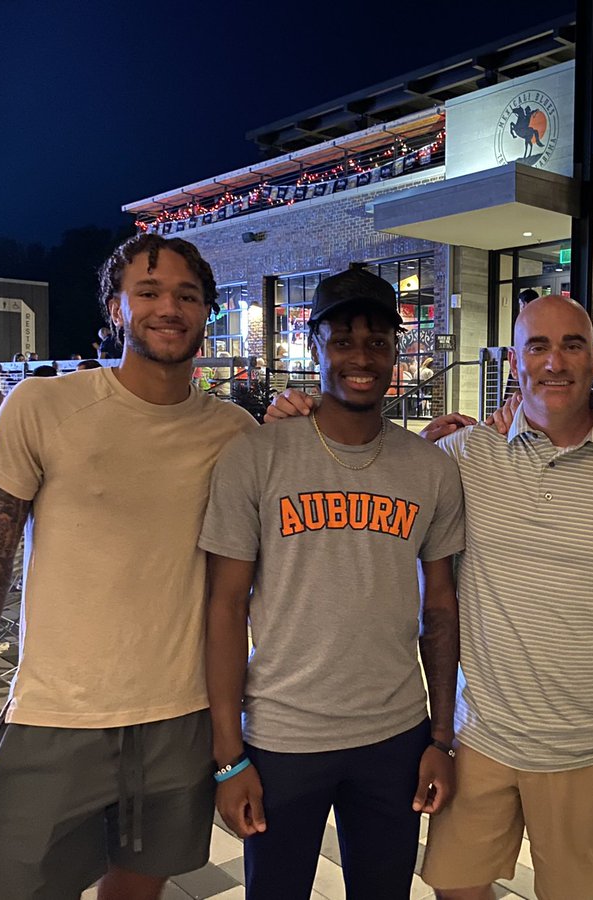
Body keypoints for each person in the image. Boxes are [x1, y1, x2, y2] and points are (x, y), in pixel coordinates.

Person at [266, 294, 593, 899]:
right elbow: (367, 465)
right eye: (537, 346)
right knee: (456, 887)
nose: (555, 361)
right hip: (480, 735)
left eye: (571, 344)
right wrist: (298, 422)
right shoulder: (463, 457)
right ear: (514, 362)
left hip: (592, 745)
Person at [0, 233, 256, 900]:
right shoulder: (43, 408)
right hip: (54, 716)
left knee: (138, 889)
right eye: (148, 292)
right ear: (116, 309)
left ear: (207, 313)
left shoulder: (235, 433)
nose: (169, 307)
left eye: (187, 295)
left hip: (179, 720)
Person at [200, 265, 465, 899]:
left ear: (397, 354)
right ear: (315, 345)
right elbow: (225, 605)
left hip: (394, 735)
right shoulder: (257, 456)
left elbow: (443, 611)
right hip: (283, 735)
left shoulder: (429, 469)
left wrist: (440, 738)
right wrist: (227, 756)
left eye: (378, 341)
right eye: (342, 340)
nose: (361, 357)